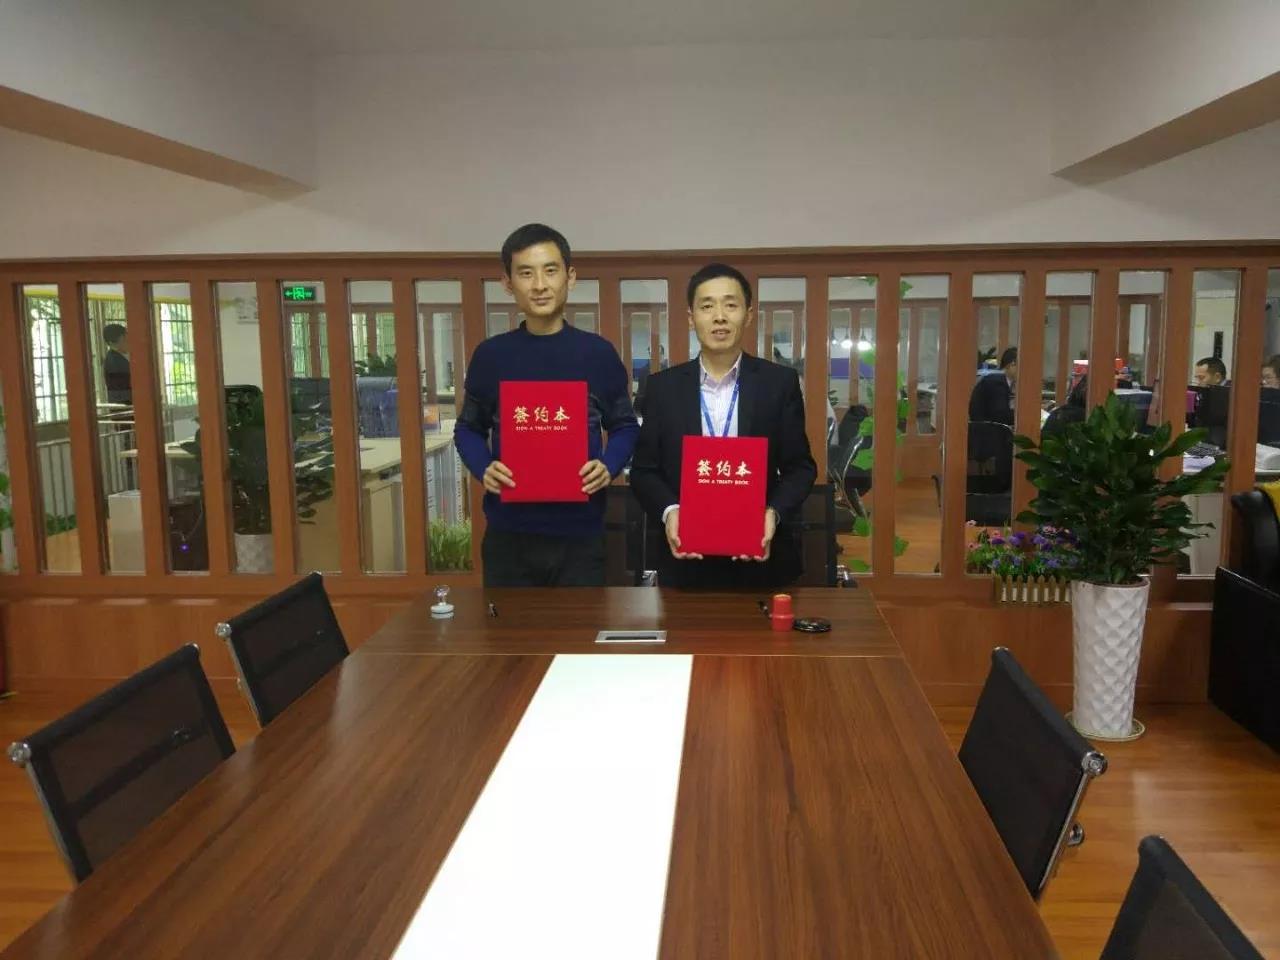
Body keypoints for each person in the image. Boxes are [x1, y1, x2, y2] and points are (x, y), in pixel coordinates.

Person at [453, 223, 639, 586]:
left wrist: (609, 464)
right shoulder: (491, 356)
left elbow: (625, 425)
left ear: (570, 277)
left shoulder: (597, 353)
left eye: (550, 270)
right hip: (509, 536)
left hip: (581, 537)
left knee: (579, 626)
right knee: (508, 626)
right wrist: (483, 467)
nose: (539, 285)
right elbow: (468, 428)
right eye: (526, 273)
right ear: (508, 283)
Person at [630, 263, 816, 589]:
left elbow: (800, 468)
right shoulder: (662, 388)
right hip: (685, 561)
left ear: (748, 314)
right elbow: (644, 470)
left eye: (730, 305)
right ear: (691, 318)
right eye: (707, 306)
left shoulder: (779, 383)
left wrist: (772, 513)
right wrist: (670, 511)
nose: (719, 316)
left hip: (761, 560)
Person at [968, 346, 1016, 425]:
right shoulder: (996, 382)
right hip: (988, 429)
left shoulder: (998, 379)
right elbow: (1001, 416)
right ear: (1011, 365)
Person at [102, 323, 132, 405]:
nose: (129, 341)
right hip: (125, 407)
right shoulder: (113, 362)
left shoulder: (127, 354)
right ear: (112, 343)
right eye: (124, 340)